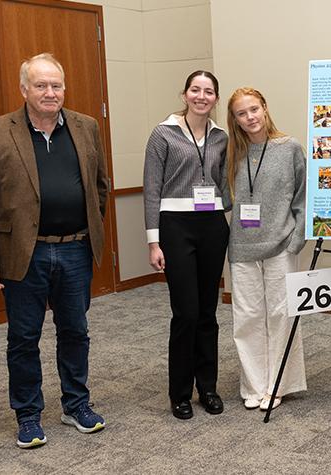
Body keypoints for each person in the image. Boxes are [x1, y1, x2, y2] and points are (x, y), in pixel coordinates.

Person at [0, 53, 109, 448]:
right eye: (42, 85)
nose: (51, 92)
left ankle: (76, 404)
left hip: (75, 250)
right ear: (24, 89)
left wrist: (88, 228)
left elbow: (100, 186)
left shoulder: (86, 126)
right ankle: (28, 414)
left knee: (75, 331)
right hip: (23, 253)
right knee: (23, 337)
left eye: (57, 85)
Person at [143, 71, 230, 420]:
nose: (201, 96)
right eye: (195, 89)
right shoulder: (163, 133)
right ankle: (179, 392)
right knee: (186, 313)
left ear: (215, 99)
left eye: (208, 91)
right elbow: (151, 188)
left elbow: (226, 184)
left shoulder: (222, 137)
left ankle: (207, 387)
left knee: (208, 313)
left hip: (211, 225)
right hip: (175, 227)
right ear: (184, 94)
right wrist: (153, 242)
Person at [227, 87, 307, 411]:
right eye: (242, 113)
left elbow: (304, 196)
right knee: (246, 318)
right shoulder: (232, 152)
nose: (250, 118)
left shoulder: (289, 148)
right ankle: (255, 385)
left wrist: (296, 240)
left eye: (254, 109)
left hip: (280, 245)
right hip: (242, 248)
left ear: (265, 108)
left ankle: (278, 384)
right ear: (234, 119)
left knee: (281, 315)